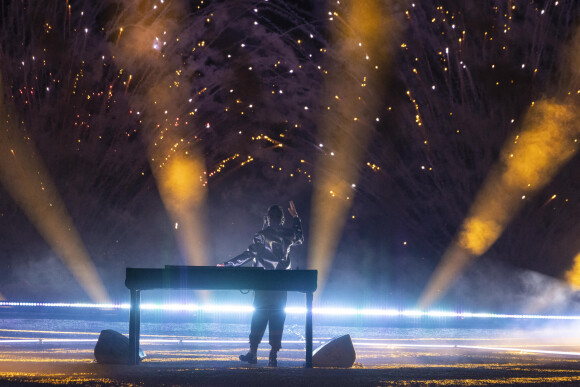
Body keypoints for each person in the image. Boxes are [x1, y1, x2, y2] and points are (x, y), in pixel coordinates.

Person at [218, 201, 304, 367]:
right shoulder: (288, 234)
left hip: (263, 283)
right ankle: (273, 355)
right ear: (282, 219)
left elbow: (248, 254)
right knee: (278, 317)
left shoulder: (262, 235)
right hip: (280, 283)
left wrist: (228, 264)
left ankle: (253, 352)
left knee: (259, 316)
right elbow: (299, 237)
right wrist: (296, 218)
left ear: (268, 217)